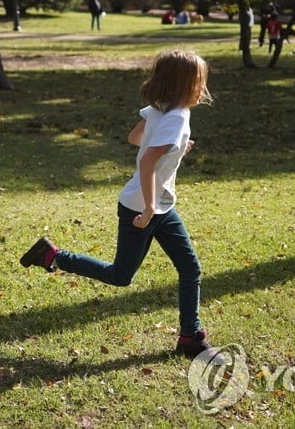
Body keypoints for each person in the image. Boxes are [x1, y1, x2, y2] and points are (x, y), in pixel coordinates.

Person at [20, 49, 214, 358]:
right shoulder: (175, 117)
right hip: (145, 206)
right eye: (199, 81)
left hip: (160, 205)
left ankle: (190, 337)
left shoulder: (159, 110)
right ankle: (54, 255)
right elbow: (148, 159)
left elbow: (136, 138)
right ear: (185, 84)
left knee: (190, 267)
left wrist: (175, 150)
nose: (202, 88)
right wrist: (149, 208)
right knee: (120, 276)